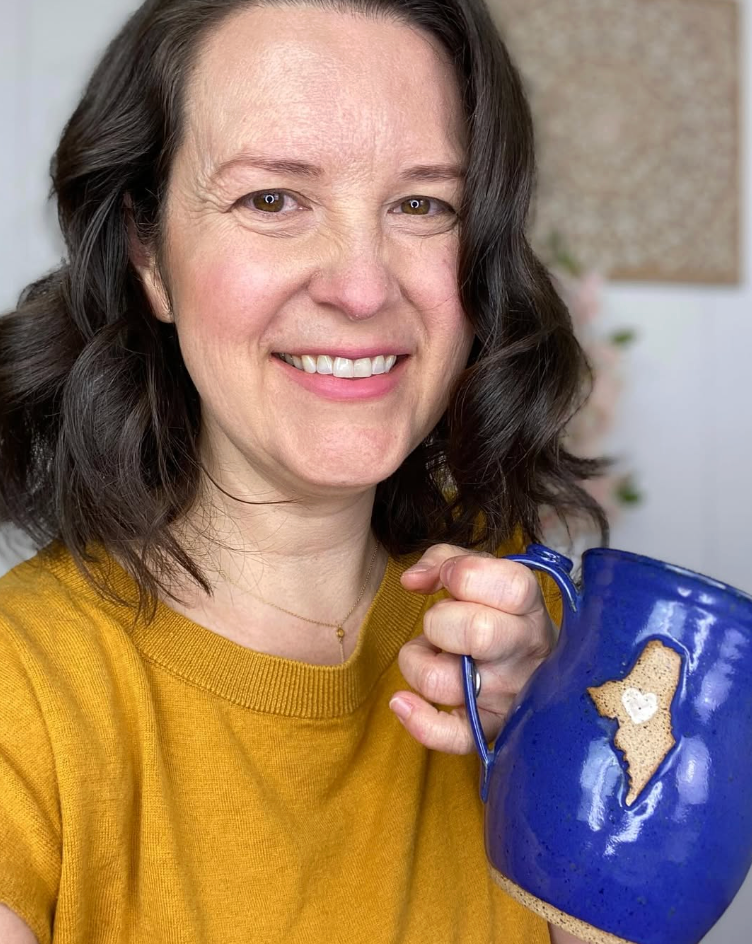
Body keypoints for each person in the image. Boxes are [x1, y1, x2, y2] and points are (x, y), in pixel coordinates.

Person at [0, 0, 609, 942]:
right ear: (149, 256)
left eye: (422, 204)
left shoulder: (527, 635)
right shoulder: (25, 689)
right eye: (272, 199)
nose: (362, 286)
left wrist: (561, 760)